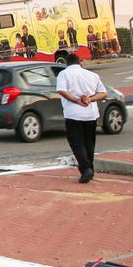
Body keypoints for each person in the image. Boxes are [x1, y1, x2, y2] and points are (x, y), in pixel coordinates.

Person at [56, 54, 107, 183]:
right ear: (80, 62)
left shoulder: (64, 74)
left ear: (66, 63)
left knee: (76, 142)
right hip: (91, 113)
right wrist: (90, 99)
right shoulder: (92, 75)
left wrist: (76, 100)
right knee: (89, 142)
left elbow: (61, 90)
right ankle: (90, 168)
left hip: (73, 114)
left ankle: (86, 169)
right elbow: (103, 93)